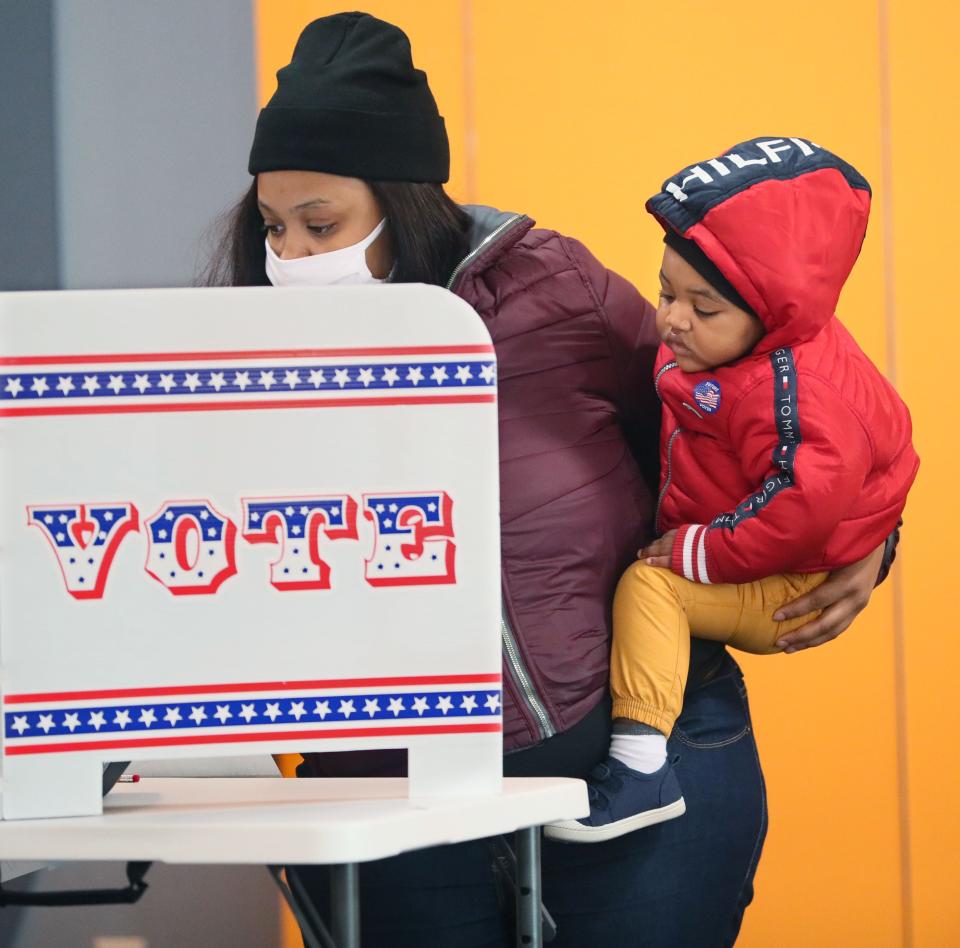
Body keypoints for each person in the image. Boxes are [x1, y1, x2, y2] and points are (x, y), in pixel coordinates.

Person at [207, 13, 894, 946]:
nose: (291, 256)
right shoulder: (234, 355)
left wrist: (872, 536)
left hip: (642, 769)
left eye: (320, 224)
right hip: (389, 798)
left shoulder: (553, 289)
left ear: (402, 197)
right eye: (273, 227)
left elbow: (750, 417)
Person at [545, 139, 919, 844]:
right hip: (768, 543)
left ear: (770, 314)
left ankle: (639, 769)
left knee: (651, 589)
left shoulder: (795, 393)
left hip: (792, 576)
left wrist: (698, 551)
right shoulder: (727, 350)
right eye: (666, 292)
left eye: (703, 307)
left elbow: (800, 509)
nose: (673, 320)